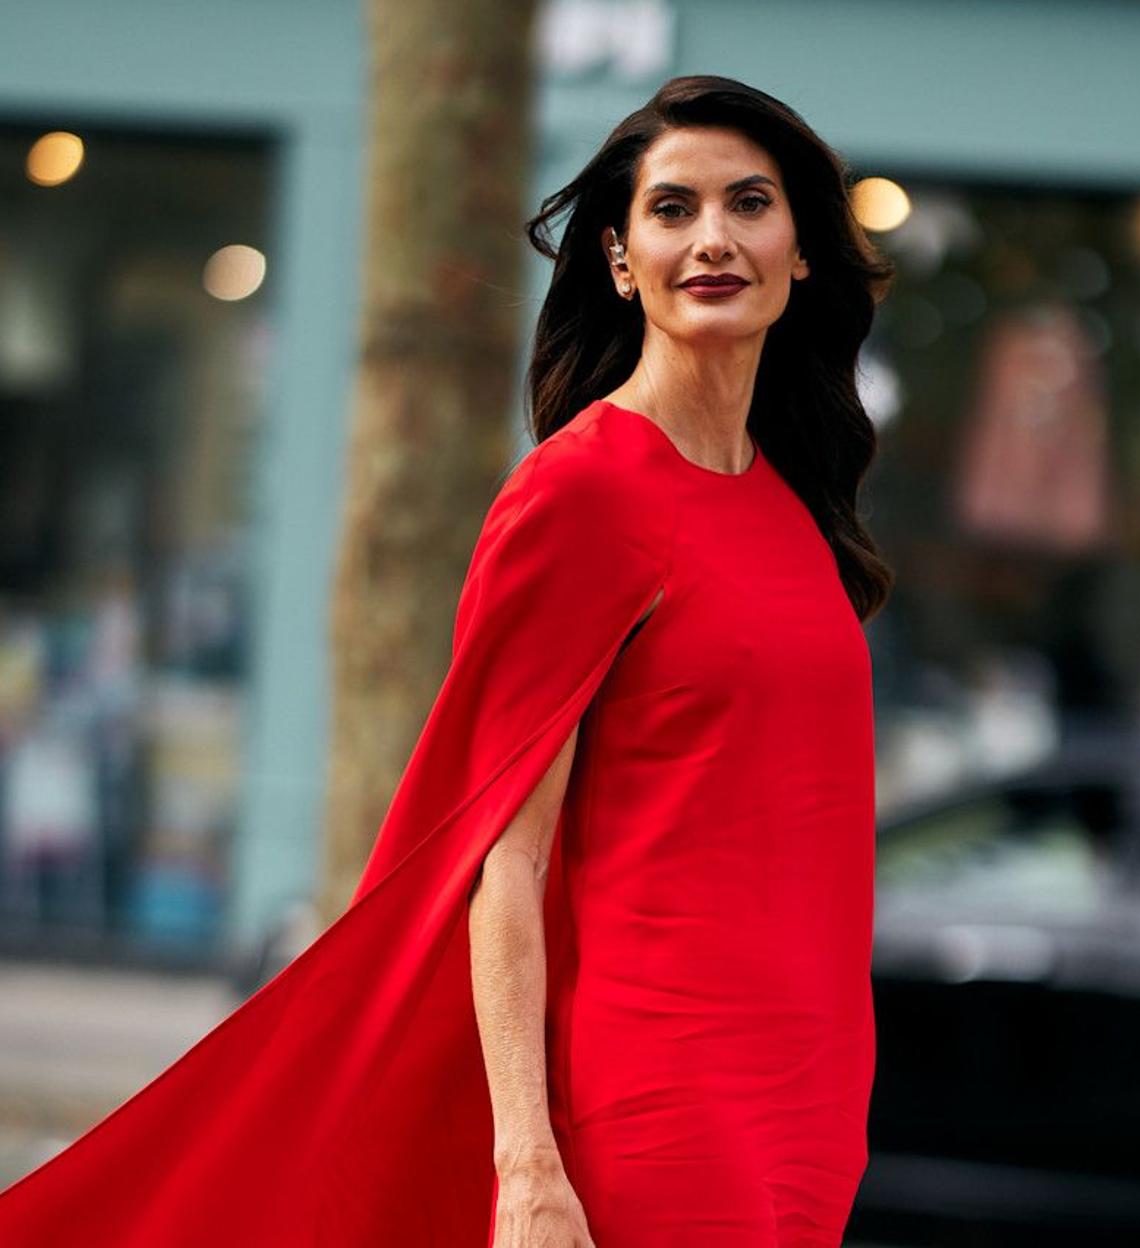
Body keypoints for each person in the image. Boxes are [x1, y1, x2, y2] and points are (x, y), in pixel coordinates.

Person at [0, 74, 895, 1247]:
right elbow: (500, 862)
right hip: (657, 1093)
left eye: (750, 203)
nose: (713, 237)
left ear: (803, 251)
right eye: (672, 209)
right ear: (621, 260)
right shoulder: (583, 494)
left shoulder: (794, 510)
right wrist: (524, 1163)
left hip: (808, 1090)